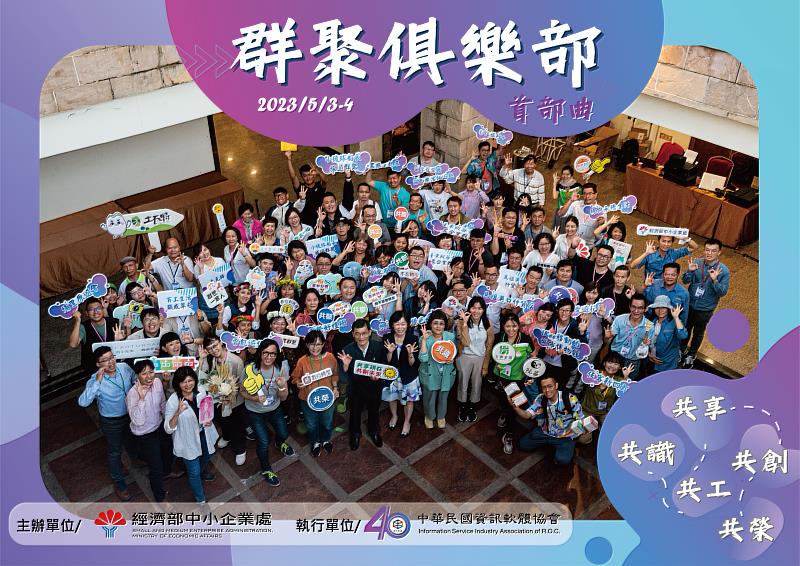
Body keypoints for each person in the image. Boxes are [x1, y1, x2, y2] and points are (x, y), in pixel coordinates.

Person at [78, 346, 136, 500]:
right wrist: (97, 382)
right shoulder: (95, 380)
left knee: (133, 441)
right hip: (112, 422)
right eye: (105, 360)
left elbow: (134, 379)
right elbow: (83, 402)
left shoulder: (124, 367)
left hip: (131, 415)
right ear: (98, 364)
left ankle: (138, 459)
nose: (111, 362)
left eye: (111, 357)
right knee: (115, 452)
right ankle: (120, 483)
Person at [240, 340, 294, 487]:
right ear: (260, 353)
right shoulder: (250, 369)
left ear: (277, 355)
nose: (269, 357)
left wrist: (282, 387)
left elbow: (284, 398)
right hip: (255, 412)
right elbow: (242, 391)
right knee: (263, 442)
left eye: (273, 354)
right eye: (265, 353)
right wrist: (255, 398)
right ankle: (266, 469)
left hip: (275, 409)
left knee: (283, 433)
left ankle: (280, 443)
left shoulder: (281, 368)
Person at [164, 367, 219, 503]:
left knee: (207, 456)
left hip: (203, 433)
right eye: (183, 382)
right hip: (187, 440)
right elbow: (168, 429)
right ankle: (200, 499)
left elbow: (208, 409)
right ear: (177, 384)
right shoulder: (173, 401)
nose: (188, 384)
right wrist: (178, 413)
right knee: (194, 472)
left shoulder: (201, 391)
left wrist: (209, 419)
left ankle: (199, 471)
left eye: (190, 380)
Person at [515, 375, 588, 465]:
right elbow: (527, 415)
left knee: (562, 460)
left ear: (556, 385)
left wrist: (579, 433)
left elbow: (580, 419)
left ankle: (566, 448)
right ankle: (550, 444)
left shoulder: (570, 399)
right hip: (546, 432)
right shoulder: (541, 398)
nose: (547, 390)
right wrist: (514, 407)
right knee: (522, 445)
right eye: (544, 387)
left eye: (550, 386)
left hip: (565, 436)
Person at [680, 238, 731, 368]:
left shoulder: (724, 271)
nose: (709, 253)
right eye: (707, 250)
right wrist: (689, 271)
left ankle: (691, 354)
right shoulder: (697, 262)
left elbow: (722, 292)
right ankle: (681, 349)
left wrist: (715, 280)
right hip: (689, 304)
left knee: (698, 332)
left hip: (705, 309)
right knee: (685, 328)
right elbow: (685, 281)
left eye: (713, 251)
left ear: (719, 252)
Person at [197, 335, 247, 465]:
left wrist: (230, 397)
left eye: (215, 346)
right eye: (210, 348)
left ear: (221, 343)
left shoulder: (236, 361)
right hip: (217, 399)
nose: (214, 350)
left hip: (234, 401)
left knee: (236, 425)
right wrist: (201, 359)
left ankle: (240, 450)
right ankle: (226, 436)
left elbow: (242, 384)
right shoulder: (210, 359)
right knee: (222, 420)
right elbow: (202, 377)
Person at [338, 319, 386, 449]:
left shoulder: (379, 347)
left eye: (364, 333)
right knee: (354, 412)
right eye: (357, 333)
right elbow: (344, 375)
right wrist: (346, 366)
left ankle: (374, 432)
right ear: (353, 334)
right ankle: (355, 434)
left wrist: (379, 377)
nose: (361, 337)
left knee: (374, 411)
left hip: (374, 387)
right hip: (356, 388)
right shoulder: (347, 350)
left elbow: (384, 367)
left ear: (370, 332)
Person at [292, 331, 339, 457]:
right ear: (307, 345)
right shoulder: (302, 361)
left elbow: (335, 374)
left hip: (327, 397)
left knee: (327, 422)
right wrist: (298, 383)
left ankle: (326, 440)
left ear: (323, 344)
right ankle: (315, 442)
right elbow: (295, 377)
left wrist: (335, 388)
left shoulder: (330, 358)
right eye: (312, 344)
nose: (315, 348)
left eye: (318, 344)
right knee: (311, 424)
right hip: (307, 399)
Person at [126, 359, 167, 502]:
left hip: (159, 426)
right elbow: (138, 421)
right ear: (137, 375)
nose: (149, 376)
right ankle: (159, 495)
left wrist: (168, 421)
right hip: (145, 434)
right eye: (144, 373)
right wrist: (142, 398)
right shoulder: (132, 394)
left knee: (167, 452)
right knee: (156, 467)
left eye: (151, 372)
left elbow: (162, 402)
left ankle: (164, 473)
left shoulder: (157, 382)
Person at [381, 312, 421, 437]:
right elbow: (386, 361)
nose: (400, 327)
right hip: (391, 374)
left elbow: (413, 364)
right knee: (392, 397)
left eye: (403, 324)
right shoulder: (387, 338)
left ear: (408, 325)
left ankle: (407, 422)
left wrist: (410, 354)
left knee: (409, 400)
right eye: (397, 324)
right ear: (392, 325)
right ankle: (394, 416)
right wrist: (389, 352)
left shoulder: (413, 339)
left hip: (408, 375)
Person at [580, 353, 633, 441]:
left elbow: (626, 395)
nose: (612, 366)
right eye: (610, 362)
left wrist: (625, 377)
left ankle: (602, 435)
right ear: (604, 363)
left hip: (605, 412)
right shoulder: (594, 374)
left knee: (610, 434)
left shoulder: (618, 380)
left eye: (616, 364)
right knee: (583, 439)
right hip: (588, 411)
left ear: (620, 367)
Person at [541, 299, 590, 393]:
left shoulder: (576, 325)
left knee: (559, 389)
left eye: (567, 310)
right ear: (557, 310)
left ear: (571, 312)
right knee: (544, 388)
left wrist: (582, 332)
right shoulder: (552, 320)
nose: (564, 313)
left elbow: (583, 346)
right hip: (546, 360)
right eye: (562, 310)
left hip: (563, 364)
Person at [418, 311, 457, 429]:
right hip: (430, 373)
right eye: (435, 323)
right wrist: (424, 340)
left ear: (445, 325)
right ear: (430, 324)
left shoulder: (450, 337)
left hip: (446, 373)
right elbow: (423, 359)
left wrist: (452, 359)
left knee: (443, 397)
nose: (438, 326)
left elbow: (453, 352)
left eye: (441, 323)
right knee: (429, 397)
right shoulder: (424, 338)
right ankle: (429, 416)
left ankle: (441, 416)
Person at [604, 293, 654, 380]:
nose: (636, 311)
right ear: (629, 306)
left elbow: (650, 347)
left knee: (627, 383)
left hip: (633, 360)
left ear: (645, 309)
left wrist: (647, 345)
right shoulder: (619, 319)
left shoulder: (650, 325)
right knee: (609, 381)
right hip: (615, 357)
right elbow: (607, 341)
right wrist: (607, 337)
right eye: (633, 307)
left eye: (640, 308)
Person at [69, 297, 125, 373]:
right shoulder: (84, 327)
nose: (95, 312)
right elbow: (73, 344)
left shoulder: (114, 322)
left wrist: (120, 339)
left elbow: (126, 344)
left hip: (115, 365)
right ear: (86, 313)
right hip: (93, 369)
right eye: (91, 310)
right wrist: (78, 321)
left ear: (102, 309)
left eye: (98, 308)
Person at [647, 296, 688, 373]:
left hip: (667, 365)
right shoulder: (651, 322)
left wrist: (676, 318)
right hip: (651, 361)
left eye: (663, 307)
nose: (660, 310)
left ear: (668, 309)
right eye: (657, 307)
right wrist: (648, 354)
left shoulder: (674, 323)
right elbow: (644, 340)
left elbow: (683, 335)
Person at [556, 182, 604, 248]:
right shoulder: (576, 204)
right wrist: (571, 200)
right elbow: (560, 213)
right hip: (571, 243)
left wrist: (602, 223)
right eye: (584, 193)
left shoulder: (601, 210)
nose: (587, 196)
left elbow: (603, 233)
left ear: (596, 194)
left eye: (590, 193)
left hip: (587, 246)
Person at [286, 150, 327, 226]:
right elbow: (293, 177)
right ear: (302, 177)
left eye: (310, 174)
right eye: (305, 176)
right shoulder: (300, 187)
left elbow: (324, 180)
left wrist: (318, 172)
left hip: (320, 221)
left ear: (313, 175)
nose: (308, 178)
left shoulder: (319, 185)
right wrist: (289, 159)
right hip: (304, 224)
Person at [643, 262, 690, 326]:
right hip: (650, 322)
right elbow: (643, 300)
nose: (669, 277)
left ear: (678, 275)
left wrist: (680, 328)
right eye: (667, 274)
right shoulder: (653, 284)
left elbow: (684, 315)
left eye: (673, 275)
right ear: (663, 275)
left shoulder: (684, 293)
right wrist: (645, 286)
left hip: (670, 326)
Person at [631, 235, 698, 280]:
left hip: (667, 284)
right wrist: (646, 253)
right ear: (659, 241)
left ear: (672, 243)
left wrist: (686, 239)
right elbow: (633, 266)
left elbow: (694, 247)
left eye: (669, 242)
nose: (666, 244)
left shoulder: (673, 253)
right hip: (650, 285)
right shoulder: (650, 254)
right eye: (663, 241)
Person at [551, 165, 582, 231]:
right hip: (561, 211)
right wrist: (555, 183)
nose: (565, 176)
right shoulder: (559, 185)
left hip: (572, 212)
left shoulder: (577, 186)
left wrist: (587, 180)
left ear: (572, 175)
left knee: (570, 231)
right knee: (558, 231)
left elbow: (584, 195)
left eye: (568, 174)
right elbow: (555, 196)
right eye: (563, 174)